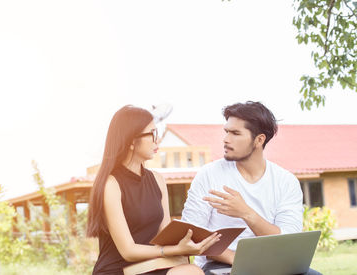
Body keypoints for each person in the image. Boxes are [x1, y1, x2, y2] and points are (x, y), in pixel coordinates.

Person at [181, 101, 322, 275]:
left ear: (259, 140)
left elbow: (287, 241)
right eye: (226, 132)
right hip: (222, 265)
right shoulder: (208, 175)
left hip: (275, 264)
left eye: (235, 133)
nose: (225, 139)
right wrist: (235, 257)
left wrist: (246, 213)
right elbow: (191, 234)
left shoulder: (286, 181)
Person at [86, 105, 221, 275]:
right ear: (131, 141)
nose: (157, 141)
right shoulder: (111, 184)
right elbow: (128, 251)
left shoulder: (158, 179)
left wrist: (191, 242)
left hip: (149, 266)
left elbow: (164, 235)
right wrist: (172, 251)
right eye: (152, 134)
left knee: (191, 271)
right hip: (117, 270)